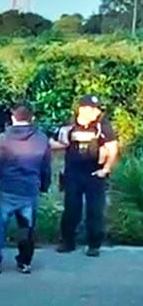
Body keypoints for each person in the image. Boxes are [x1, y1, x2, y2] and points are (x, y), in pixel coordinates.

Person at [0, 102, 51, 274]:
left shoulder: (4, 138)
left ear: (12, 117)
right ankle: (24, 262)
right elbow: (46, 165)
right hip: (29, 188)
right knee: (27, 227)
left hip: (7, 188)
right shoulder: (41, 138)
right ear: (32, 117)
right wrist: (44, 186)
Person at [50, 95, 119, 257]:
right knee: (71, 209)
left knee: (95, 210)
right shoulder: (68, 125)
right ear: (82, 109)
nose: (97, 112)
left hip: (95, 174)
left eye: (97, 109)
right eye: (93, 109)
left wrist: (106, 169)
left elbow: (113, 148)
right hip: (73, 173)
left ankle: (94, 244)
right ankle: (67, 242)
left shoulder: (103, 126)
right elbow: (51, 143)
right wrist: (63, 144)